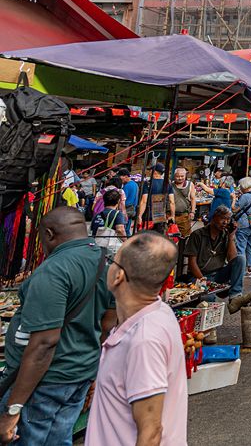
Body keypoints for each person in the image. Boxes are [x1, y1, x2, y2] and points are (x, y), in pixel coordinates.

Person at [0, 209, 116, 446]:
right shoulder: (106, 262)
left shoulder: (53, 270)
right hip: (78, 374)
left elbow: (44, 343)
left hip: (45, 381)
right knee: (58, 439)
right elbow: (108, 325)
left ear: (50, 234)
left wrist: (13, 409)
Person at [85, 232, 186, 446]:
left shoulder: (144, 339)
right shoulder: (155, 314)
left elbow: (150, 432)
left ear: (118, 276)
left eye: (112, 261)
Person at [181, 207, 251, 314]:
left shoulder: (225, 235)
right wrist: (203, 281)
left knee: (241, 259)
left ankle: (235, 297)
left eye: (228, 219)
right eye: (222, 219)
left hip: (218, 275)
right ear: (214, 218)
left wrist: (231, 237)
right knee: (209, 299)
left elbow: (232, 259)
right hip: (198, 277)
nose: (225, 222)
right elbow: (192, 263)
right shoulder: (198, 235)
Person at [232, 178, 251, 280]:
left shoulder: (245, 196)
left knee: (241, 247)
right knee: (250, 246)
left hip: (243, 224)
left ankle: (241, 270)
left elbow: (234, 209)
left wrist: (234, 199)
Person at [90, 190, 127, 256]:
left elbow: (93, 231)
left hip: (97, 247)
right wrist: (126, 242)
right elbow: (120, 230)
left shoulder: (97, 215)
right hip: (110, 249)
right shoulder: (117, 214)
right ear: (118, 201)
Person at [137, 164, 172, 233]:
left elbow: (144, 201)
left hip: (148, 215)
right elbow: (172, 201)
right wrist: (172, 215)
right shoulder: (168, 184)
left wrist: (139, 215)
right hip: (160, 215)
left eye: (151, 170)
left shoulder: (148, 183)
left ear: (155, 172)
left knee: (145, 238)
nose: (150, 172)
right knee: (158, 237)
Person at [169, 168, 196, 242]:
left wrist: (192, 212)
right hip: (171, 216)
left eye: (182, 176)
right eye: (178, 176)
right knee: (170, 237)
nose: (180, 178)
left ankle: (182, 252)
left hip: (184, 216)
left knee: (185, 237)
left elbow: (193, 199)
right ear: (174, 176)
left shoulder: (190, 185)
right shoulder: (170, 185)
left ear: (185, 176)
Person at [119, 170, 139, 236]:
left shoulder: (127, 186)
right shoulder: (135, 184)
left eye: (121, 177)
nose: (120, 180)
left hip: (125, 208)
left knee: (124, 229)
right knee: (127, 228)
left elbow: (122, 199)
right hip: (132, 208)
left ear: (126, 176)